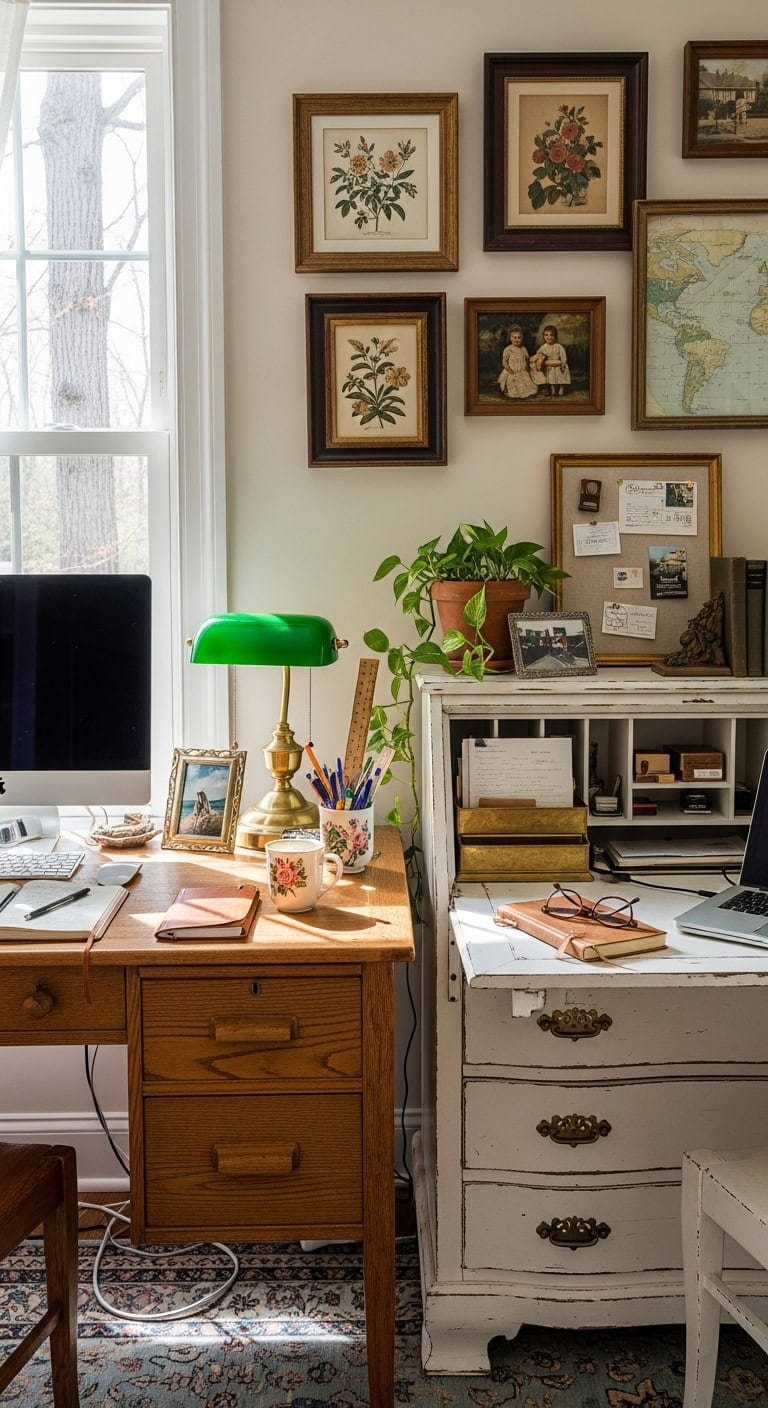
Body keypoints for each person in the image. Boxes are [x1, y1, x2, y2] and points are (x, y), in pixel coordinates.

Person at [497, 324, 538, 400]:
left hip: (522, 371)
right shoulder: (508, 349)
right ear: (510, 338)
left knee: (528, 387)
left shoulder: (523, 349)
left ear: (522, 338)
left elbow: (526, 360)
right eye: (514, 337)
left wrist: (528, 369)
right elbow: (504, 362)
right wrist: (510, 370)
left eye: (519, 338)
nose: (517, 340)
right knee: (514, 387)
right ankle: (510, 390)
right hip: (512, 372)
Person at [531, 324, 571, 396]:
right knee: (550, 374)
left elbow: (563, 356)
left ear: (555, 336)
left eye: (551, 335)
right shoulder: (543, 347)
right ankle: (552, 388)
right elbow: (539, 354)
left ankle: (561, 387)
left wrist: (563, 364)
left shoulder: (558, 346)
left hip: (558, 363)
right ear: (543, 336)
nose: (549, 337)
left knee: (562, 373)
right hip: (549, 364)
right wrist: (540, 360)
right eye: (546, 335)